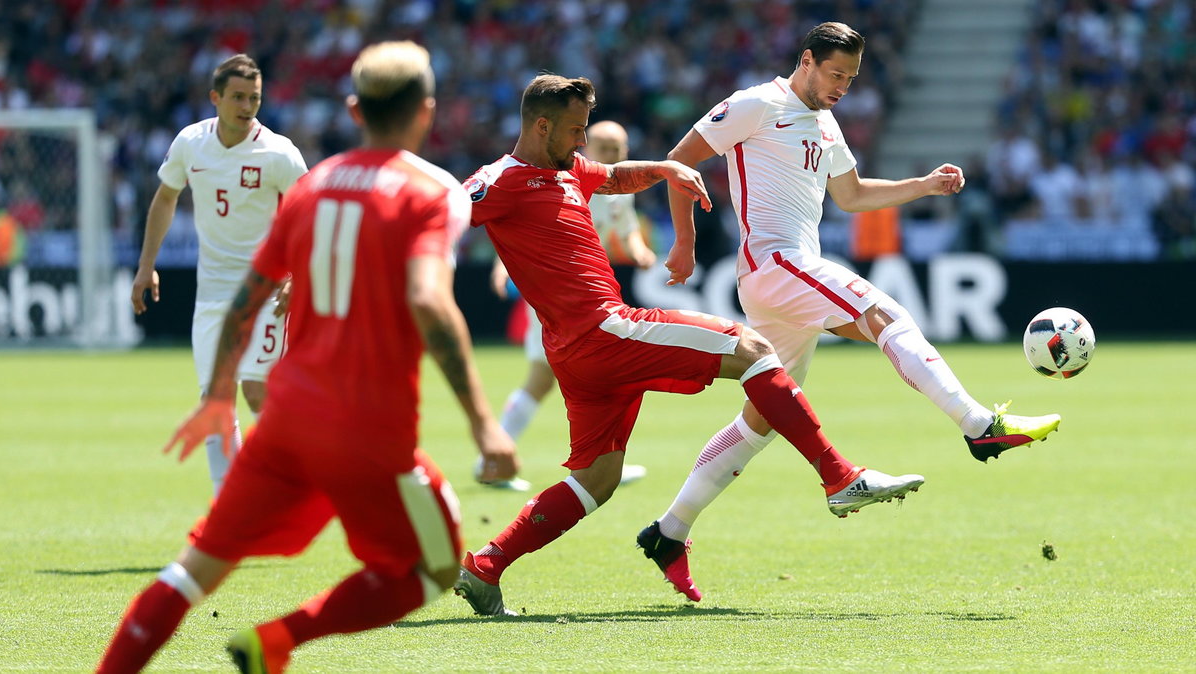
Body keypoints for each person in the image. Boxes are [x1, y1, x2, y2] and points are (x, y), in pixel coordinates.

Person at [97, 41, 517, 673]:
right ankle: (278, 641)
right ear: (427, 112)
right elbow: (430, 304)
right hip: (368, 432)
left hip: (288, 422)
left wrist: (216, 396)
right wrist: (485, 421)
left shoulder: (314, 184)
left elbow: (248, 297)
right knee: (432, 569)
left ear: (353, 109)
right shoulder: (433, 192)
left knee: (192, 574)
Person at [452, 74, 922, 617]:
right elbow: (445, 213)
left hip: (576, 353)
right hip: (605, 328)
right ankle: (839, 476)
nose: (583, 142)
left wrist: (664, 168)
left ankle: (486, 565)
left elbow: (611, 178)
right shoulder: (501, 180)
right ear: (541, 126)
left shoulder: (564, 169)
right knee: (751, 348)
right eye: (576, 130)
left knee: (597, 480)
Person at [641, 21, 1062, 600]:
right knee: (887, 317)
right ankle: (978, 426)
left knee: (763, 415)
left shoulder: (825, 122)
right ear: (807, 60)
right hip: (775, 263)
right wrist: (685, 243)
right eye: (835, 74)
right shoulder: (756, 103)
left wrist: (924, 186)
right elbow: (678, 162)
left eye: (852, 78)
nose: (843, 86)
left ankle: (669, 531)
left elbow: (853, 195)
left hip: (784, 273)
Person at [130, 54, 309, 496]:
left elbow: (310, 214)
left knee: (255, 390)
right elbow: (166, 198)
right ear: (215, 98)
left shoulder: (279, 152)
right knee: (216, 402)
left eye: (255, 98)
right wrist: (145, 266)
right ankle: (228, 506)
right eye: (238, 97)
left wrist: (296, 275)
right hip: (212, 294)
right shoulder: (191, 143)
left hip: (267, 290)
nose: (247, 106)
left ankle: (294, 480)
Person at [484, 120, 655, 492]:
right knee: (572, 378)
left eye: (618, 150)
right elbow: (521, 225)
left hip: (587, 297)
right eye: (605, 149)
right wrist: (502, 268)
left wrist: (640, 252)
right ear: (586, 149)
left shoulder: (620, 190)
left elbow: (626, 232)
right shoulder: (563, 182)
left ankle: (596, 461)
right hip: (557, 297)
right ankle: (496, 459)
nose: (612, 156)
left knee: (567, 380)